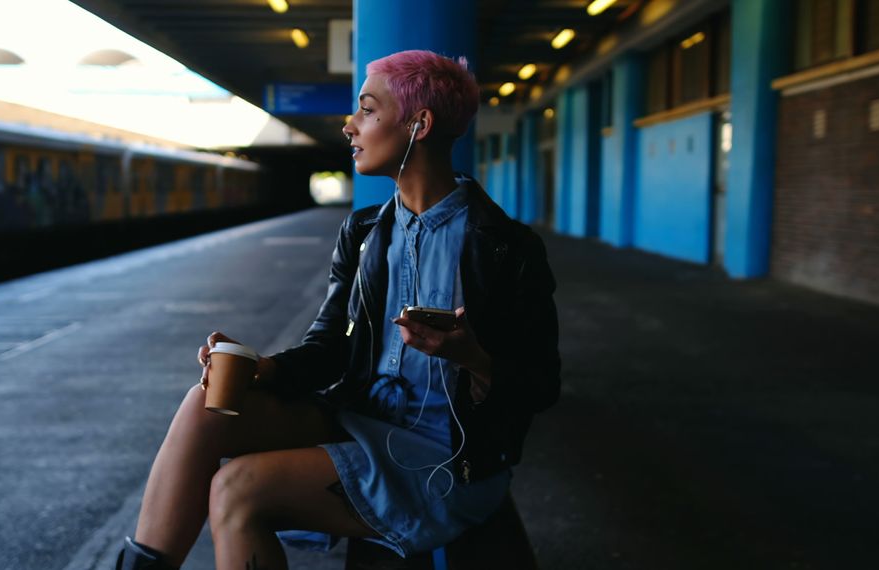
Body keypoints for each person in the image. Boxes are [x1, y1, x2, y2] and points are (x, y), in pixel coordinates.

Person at [115, 49, 560, 570]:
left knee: (237, 490)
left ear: (419, 124)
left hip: (444, 457)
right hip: (359, 421)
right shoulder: (365, 233)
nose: (349, 126)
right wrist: (265, 368)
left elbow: (540, 384)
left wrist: (473, 358)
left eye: (367, 110)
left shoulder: (505, 247)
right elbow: (330, 346)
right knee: (205, 403)